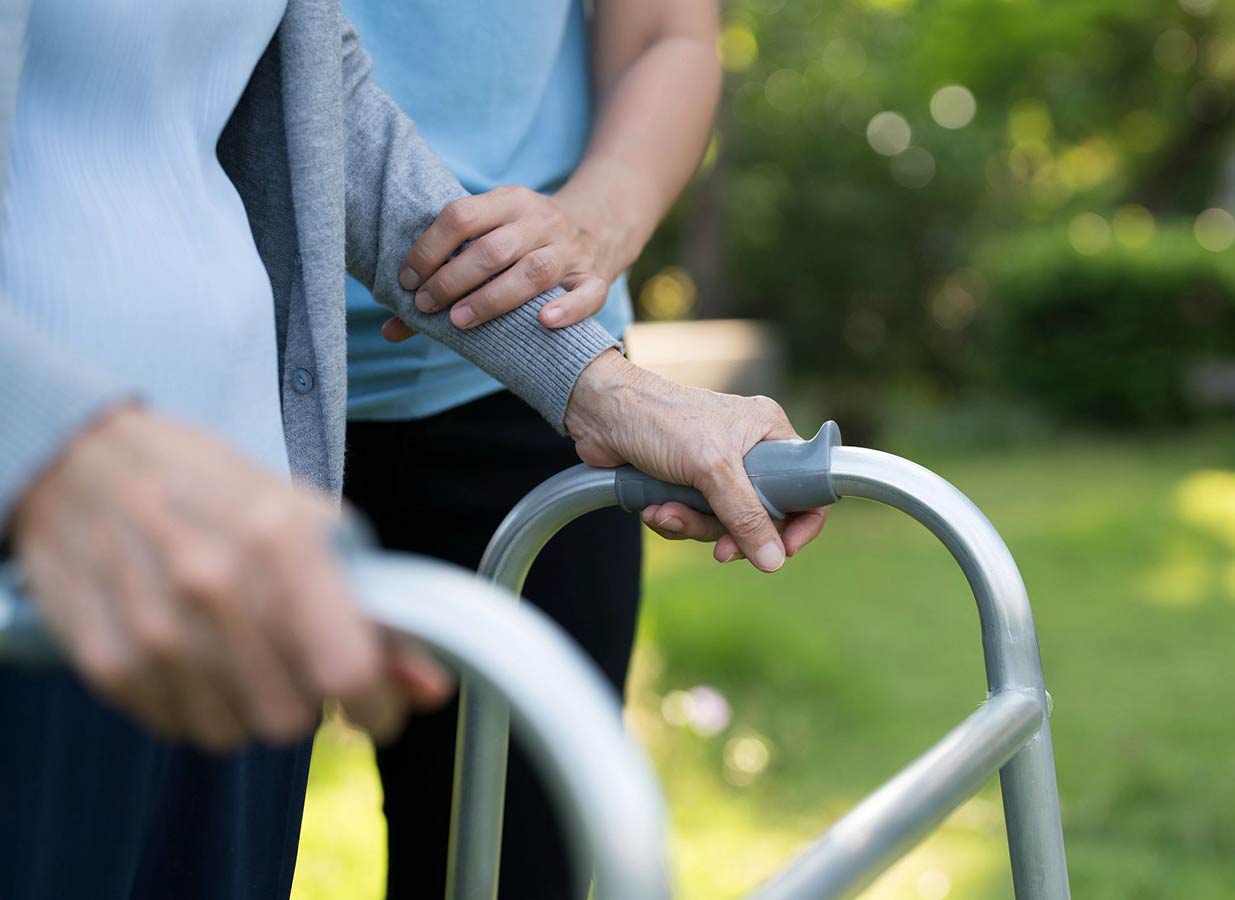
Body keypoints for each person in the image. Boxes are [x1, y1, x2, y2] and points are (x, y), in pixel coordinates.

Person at [0, 1, 827, 898]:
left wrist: (598, 380)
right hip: (63, 523)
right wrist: (58, 447)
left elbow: (319, 104)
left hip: (257, 477)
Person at [338, 2, 722, 896]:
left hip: (527, 387)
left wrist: (592, 225)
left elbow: (668, 31)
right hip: (201, 383)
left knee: (518, 866)